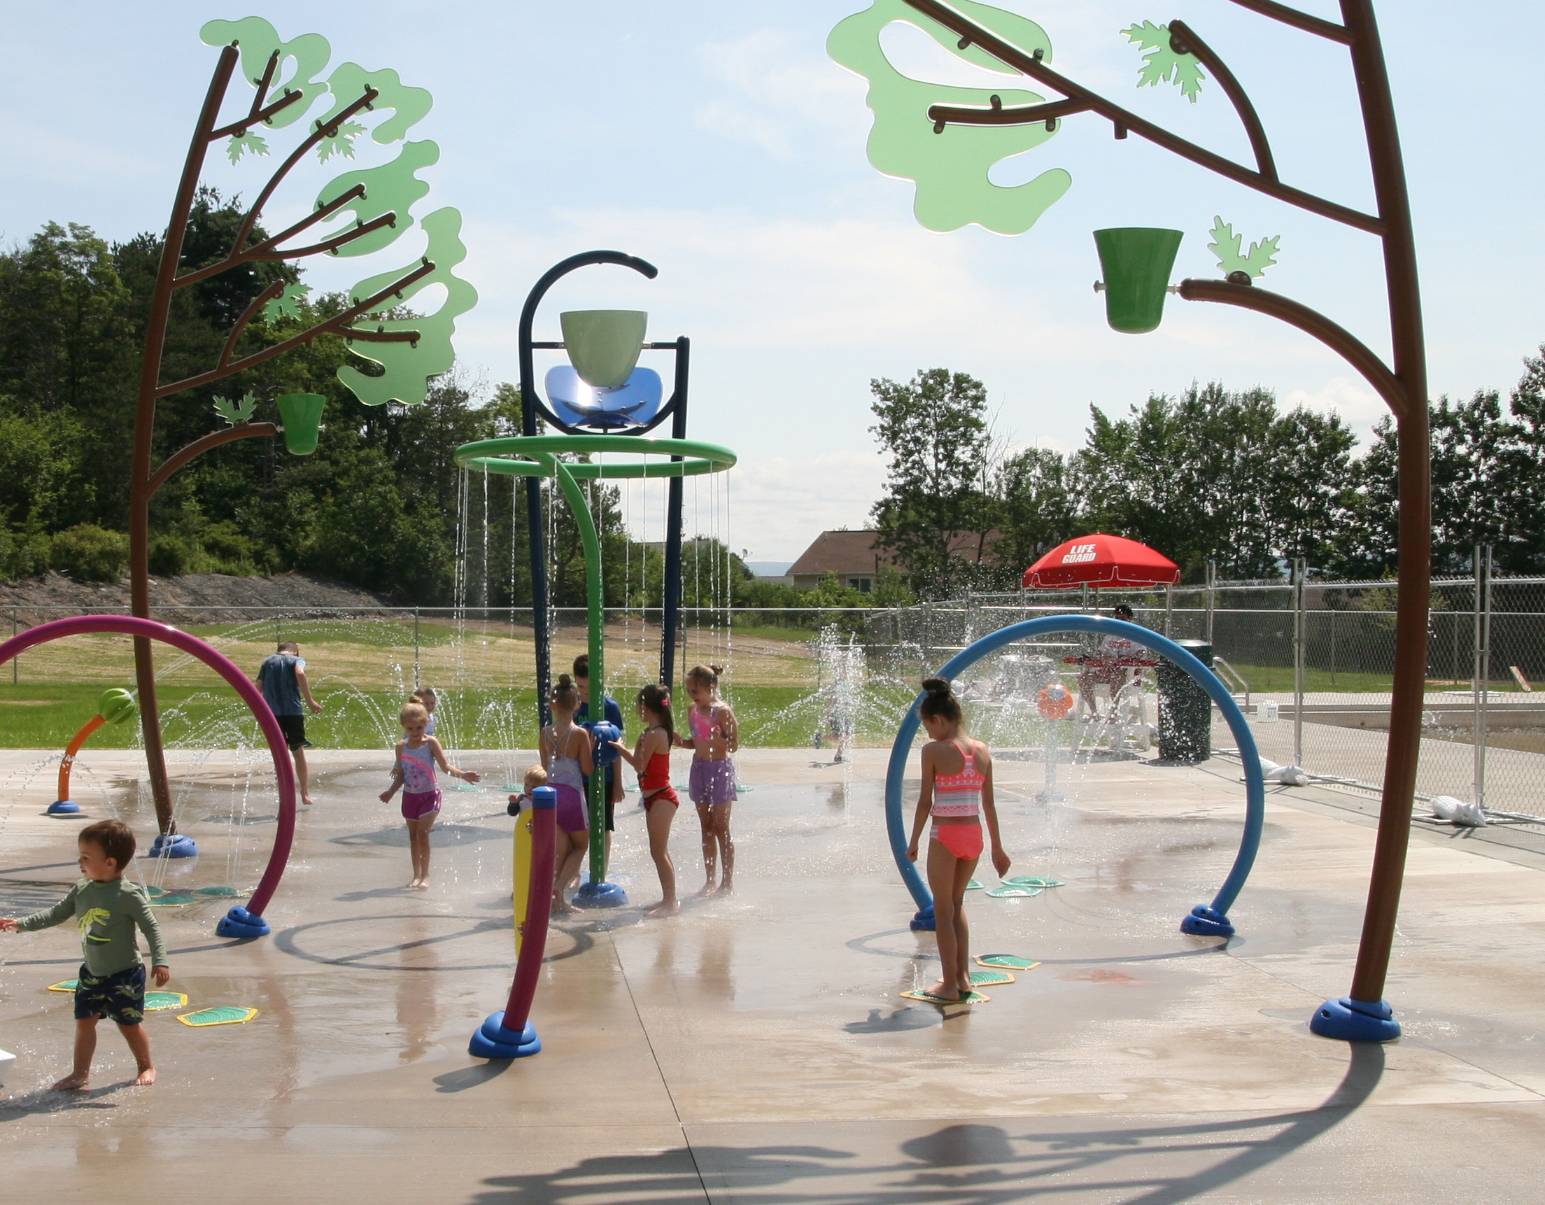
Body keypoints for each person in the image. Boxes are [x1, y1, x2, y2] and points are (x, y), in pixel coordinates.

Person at [1, 820, 170, 1089]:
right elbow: (55, 914)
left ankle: (146, 1066)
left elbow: (152, 928)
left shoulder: (128, 895)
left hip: (125, 974)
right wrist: (21, 924)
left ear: (110, 863)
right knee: (84, 1022)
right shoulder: (82, 889)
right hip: (92, 973)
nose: (80, 861)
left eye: (86, 857)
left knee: (128, 1024)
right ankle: (80, 1074)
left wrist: (160, 960)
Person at [906, 678, 1011, 1002]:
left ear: (938, 719)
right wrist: (997, 848)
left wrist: (914, 841)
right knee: (957, 905)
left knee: (942, 910)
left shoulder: (934, 751)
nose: (927, 733)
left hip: (946, 834)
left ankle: (949, 984)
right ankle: (963, 978)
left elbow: (925, 801)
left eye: (927, 725)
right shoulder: (981, 751)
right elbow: (989, 805)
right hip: (973, 834)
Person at [379, 700, 480, 889]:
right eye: (410, 728)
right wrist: (390, 792)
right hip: (410, 797)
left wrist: (463, 775)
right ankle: (415, 875)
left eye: (419, 727)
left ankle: (425, 875)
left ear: (426, 724)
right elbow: (401, 775)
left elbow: (445, 767)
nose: (415, 732)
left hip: (430, 795)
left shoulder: (430, 743)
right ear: (404, 727)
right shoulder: (401, 747)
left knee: (423, 833)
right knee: (413, 836)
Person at [610, 683, 679, 915]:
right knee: (658, 850)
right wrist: (636, 746)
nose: (636, 710)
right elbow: (642, 760)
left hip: (661, 797)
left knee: (659, 851)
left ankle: (670, 902)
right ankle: (667, 899)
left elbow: (640, 766)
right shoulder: (652, 733)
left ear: (647, 708)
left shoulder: (656, 734)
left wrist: (620, 749)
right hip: (654, 798)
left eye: (639, 705)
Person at [675, 663, 738, 895]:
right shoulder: (692, 710)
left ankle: (727, 881)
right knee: (706, 826)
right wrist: (682, 742)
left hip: (719, 769)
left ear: (710, 687)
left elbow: (733, 745)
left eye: (695, 691)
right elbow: (696, 742)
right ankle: (710, 879)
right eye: (689, 690)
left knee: (722, 827)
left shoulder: (722, 712)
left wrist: (719, 738)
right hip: (699, 768)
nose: (692, 695)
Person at [541, 674, 594, 914]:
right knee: (581, 847)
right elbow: (587, 769)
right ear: (577, 704)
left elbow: (544, 767)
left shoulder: (545, 733)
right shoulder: (580, 734)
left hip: (550, 797)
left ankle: (555, 897)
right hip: (572, 796)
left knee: (559, 848)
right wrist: (592, 748)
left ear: (552, 704)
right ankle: (559, 889)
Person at [573, 653, 624, 875]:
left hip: (605, 777)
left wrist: (618, 782)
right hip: (576, 778)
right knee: (576, 827)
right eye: (580, 686)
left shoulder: (609, 707)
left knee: (603, 826)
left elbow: (617, 747)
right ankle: (573, 872)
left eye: (588, 687)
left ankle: (601, 870)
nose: (584, 692)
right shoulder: (572, 707)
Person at [257, 641, 323, 805]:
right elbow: (300, 674)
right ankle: (304, 793)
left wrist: (259, 709)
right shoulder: (296, 660)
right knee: (298, 752)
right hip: (293, 713)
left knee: (279, 755)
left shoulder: (267, 661)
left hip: (272, 714)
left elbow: (257, 687)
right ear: (296, 651)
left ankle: (284, 795)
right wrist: (310, 701)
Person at [1078, 603, 1142, 720]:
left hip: (1128, 676)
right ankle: (1094, 713)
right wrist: (1102, 659)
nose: (1119, 621)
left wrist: (1125, 660)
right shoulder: (1110, 635)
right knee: (1083, 679)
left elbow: (1141, 653)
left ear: (1130, 618)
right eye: (1117, 618)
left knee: (1116, 675)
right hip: (1108, 672)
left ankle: (1114, 713)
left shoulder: (1136, 634)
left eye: (1122, 618)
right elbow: (1102, 654)